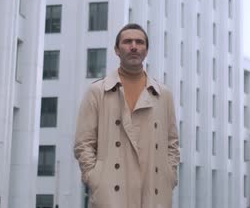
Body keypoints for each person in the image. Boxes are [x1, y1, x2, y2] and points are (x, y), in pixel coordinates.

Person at [74, 23, 180, 208]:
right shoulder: (97, 91)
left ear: (146, 50)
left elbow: (172, 143)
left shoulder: (163, 95)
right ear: (116, 50)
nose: (133, 46)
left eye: (139, 42)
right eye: (127, 42)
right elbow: (84, 143)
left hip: (154, 189)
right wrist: (94, 177)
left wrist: (169, 175)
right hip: (111, 192)